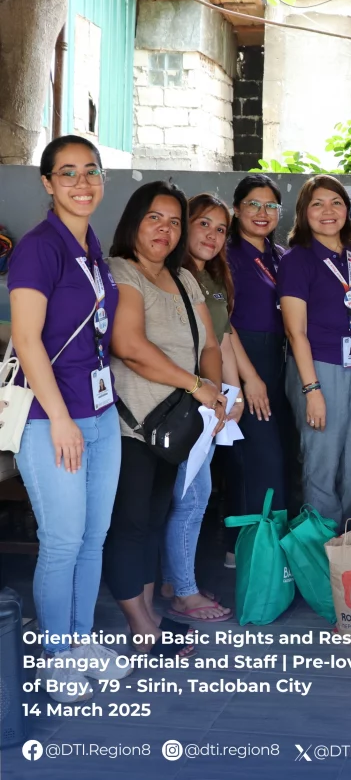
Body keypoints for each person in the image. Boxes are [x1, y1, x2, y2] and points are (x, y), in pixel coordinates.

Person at [7, 136, 129, 701]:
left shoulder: (89, 243)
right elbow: (26, 341)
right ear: (48, 183)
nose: (83, 183)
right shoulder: (39, 248)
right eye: (68, 174)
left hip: (100, 412)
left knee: (92, 538)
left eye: (91, 172)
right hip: (50, 418)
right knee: (61, 540)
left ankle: (79, 641)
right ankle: (55, 653)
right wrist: (59, 418)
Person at [105, 181, 226, 656]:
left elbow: (211, 346)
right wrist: (197, 386)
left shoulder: (184, 279)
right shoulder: (121, 271)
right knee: (132, 523)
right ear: (134, 220)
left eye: (175, 221)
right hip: (133, 422)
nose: (165, 229)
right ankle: (141, 628)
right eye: (155, 217)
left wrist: (213, 392)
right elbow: (130, 348)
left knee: (156, 518)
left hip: (178, 425)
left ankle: (150, 617)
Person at [160, 194, 241, 622]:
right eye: (203, 224)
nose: (211, 234)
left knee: (190, 495)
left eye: (221, 228)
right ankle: (184, 591)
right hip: (181, 402)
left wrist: (233, 392)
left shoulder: (209, 277)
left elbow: (220, 342)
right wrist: (207, 390)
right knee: (191, 498)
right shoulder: (171, 274)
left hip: (208, 402)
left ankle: (177, 580)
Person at [280, 175, 351, 526]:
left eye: (335, 202)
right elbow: (295, 330)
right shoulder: (297, 260)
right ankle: (319, 555)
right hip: (317, 367)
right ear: (304, 213)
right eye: (317, 204)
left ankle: (347, 542)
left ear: (347, 209)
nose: (327, 211)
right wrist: (312, 390)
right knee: (321, 463)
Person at [223, 174, 289, 560]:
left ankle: (271, 550)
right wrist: (248, 378)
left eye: (270, 206)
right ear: (237, 209)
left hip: (279, 362)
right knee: (256, 458)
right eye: (253, 204)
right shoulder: (226, 255)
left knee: (275, 456)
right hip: (244, 360)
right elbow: (222, 323)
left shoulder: (281, 256)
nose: (262, 213)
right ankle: (245, 550)